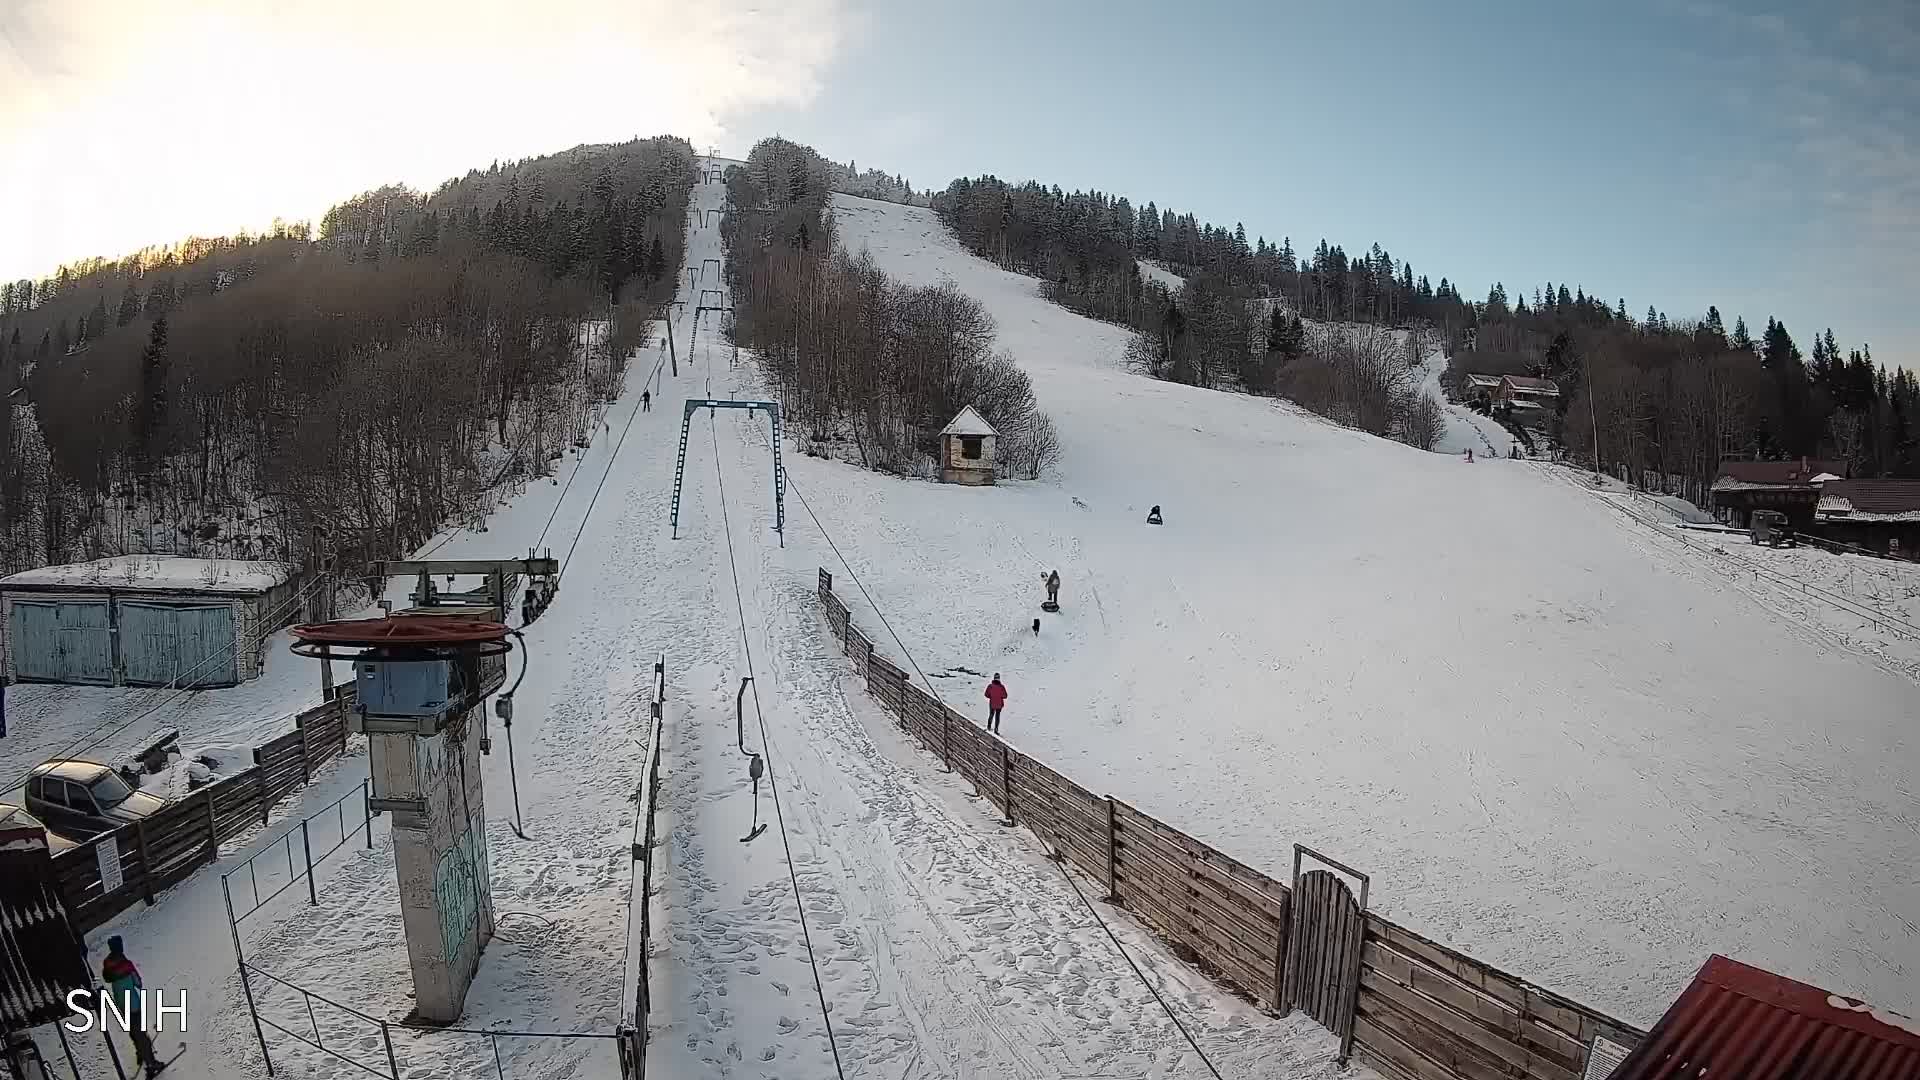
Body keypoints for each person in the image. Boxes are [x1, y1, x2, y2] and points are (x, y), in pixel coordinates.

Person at [101, 936, 163, 1077]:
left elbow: (107, 978)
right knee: (141, 1034)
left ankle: (140, 1053)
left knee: (132, 1030)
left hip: (121, 1004)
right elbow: (138, 983)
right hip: (133, 1003)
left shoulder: (107, 965)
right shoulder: (127, 965)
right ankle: (151, 1063)